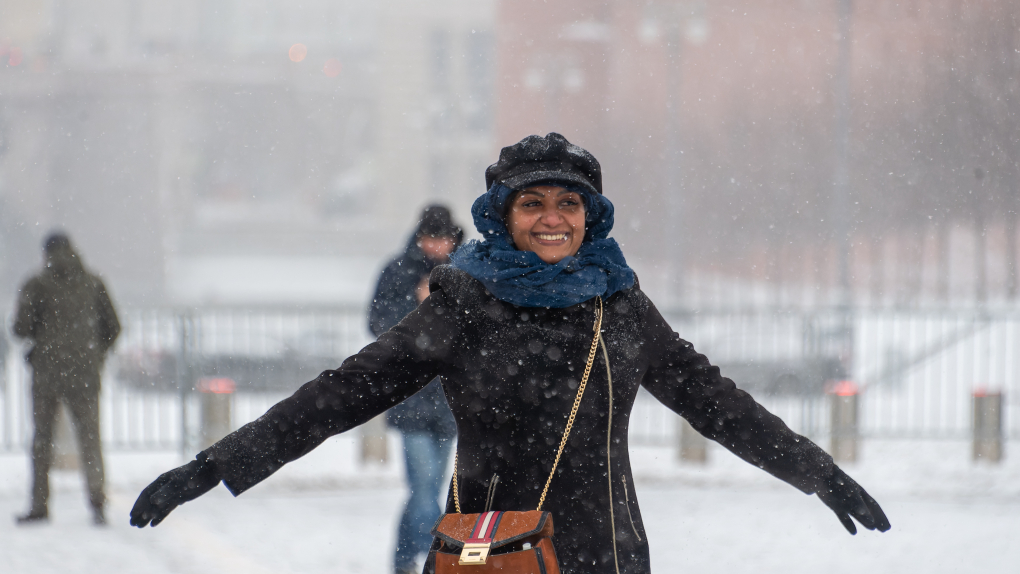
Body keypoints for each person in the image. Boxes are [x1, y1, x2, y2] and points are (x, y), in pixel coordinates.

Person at [131, 133, 890, 573]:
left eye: (569, 204)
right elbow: (342, 392)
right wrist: (216, 465)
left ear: (591, 217)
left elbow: (715, 401)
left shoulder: (621, 304)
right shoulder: (464, 302)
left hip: (605, 555)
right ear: (503, 216)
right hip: (488, 555)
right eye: (533, 203)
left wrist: (817, 473)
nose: (552, 219)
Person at [369, 205, 463, 574]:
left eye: (443, 239)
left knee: (427, 491)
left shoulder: (466, 274)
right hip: (410, 398)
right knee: (424, 491)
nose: (437, 246)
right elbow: (378, 323)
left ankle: (403, 560)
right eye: (430, 238)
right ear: (420, 237)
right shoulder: (397, 271)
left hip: (451, 401)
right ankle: (437, 559)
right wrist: (418, 304)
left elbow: (476, 329)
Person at [14, 233, 120, 525]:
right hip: (84, 374)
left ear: (46, 253)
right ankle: (97, 503)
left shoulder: (37, 284)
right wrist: (95, 353)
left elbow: (21, 329)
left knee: (42, 441)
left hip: (46, 374)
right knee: (90, 439)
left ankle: (39, 505)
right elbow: (113, 326)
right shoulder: (94, 283)